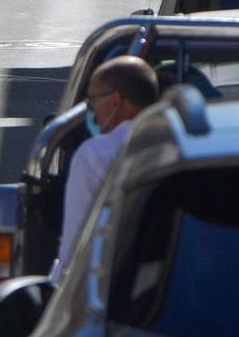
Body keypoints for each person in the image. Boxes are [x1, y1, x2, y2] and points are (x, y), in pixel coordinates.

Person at [52, 57, 160, 278]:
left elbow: (75, 250)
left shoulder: (94, 155)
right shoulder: (184, 145)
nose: (92, 112)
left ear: (115, 101)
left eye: (93, 101)